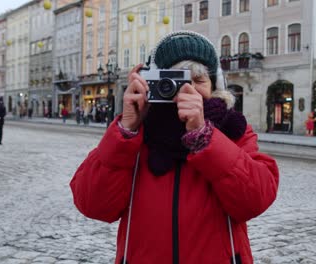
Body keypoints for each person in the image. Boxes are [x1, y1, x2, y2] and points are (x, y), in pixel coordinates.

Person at [70, 31, 279, 264]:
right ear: (154, 83)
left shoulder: (233, 130)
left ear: (214, 87)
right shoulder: (137, 131)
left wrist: (204, 137)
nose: (187, 89)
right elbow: (93, 205)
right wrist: (126, 130)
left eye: (199, 80)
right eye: (175, 80)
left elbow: (254, 202)